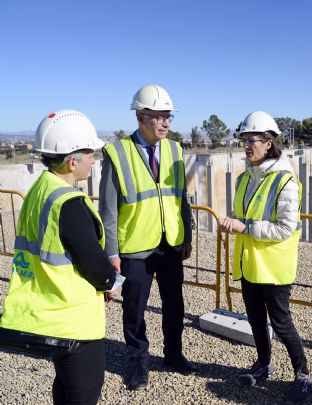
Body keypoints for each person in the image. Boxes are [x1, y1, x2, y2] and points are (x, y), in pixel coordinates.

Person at [0, 109, 120, 404]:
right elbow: (95, 265)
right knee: (82, 392)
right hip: (74, 320)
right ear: (72, 160)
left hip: (49, 309)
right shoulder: (70, 203)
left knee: (65, 386)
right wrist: (111, 282)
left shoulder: (41, 189)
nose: (94, 159)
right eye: (90, 153)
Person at [99, 84, 195, 391]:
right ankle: (137, 361)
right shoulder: (117, 153)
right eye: (160, 117)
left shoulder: (175, 149)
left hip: (170, 244)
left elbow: (182, 198)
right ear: (141, 117)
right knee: (134, 309)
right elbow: (108, 208)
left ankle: (173, 354)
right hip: (135, 246)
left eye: (169, 117)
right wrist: (111, 252)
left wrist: (188, 235)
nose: (167, 123)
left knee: (174, 304)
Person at [219, 111, 312, 404]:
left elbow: (285, 227)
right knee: (257, 320)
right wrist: (232, 222)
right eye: (244, 141)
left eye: (253, 141)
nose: (247, 146)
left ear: (269, 143)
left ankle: (303, 374)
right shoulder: (245, 179)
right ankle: (263, 364)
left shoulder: (286, 182)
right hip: (248, 264)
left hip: (273, 267)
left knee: (281, 323)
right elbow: (243, 216)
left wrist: (244, 226)